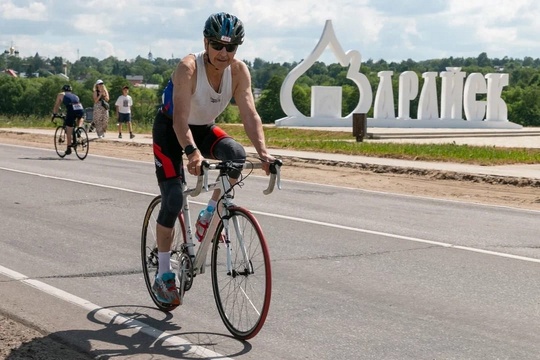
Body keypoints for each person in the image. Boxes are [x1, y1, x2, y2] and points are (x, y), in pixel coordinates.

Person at [151, 12, 275, 305]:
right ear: (205, 42)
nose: (223, 53)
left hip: (203, 127)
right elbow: (180, 119)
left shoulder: (239, 71)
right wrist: (191, 152)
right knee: (173, 199)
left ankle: (210, 214)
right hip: (171, 130)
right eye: (217, 45)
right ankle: (164, 273)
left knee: (236, 155)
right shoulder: (188, 68)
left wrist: (264, 152)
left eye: (230, 48)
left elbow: (249, 113)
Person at [52, 84, 85, 155]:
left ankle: (69, 147)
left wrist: (54, 114)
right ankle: (79, 128)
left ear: (63, 90)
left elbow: (57, 105)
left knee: (69, 127)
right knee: (80, 117)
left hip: (71, 109)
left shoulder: (61, 94)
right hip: (80, 108)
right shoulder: (76, 96)